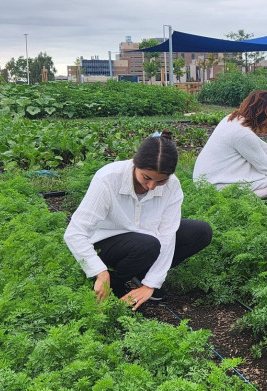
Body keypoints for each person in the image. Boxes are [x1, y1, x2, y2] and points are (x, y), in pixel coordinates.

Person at [64, 131, 212, 311]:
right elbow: (75, 232)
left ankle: (143, 276)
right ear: (135, 164)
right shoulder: (109, 179)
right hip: (106, 244)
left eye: (161, 181)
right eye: (146, 177)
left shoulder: (172, 186)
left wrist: (151, 284)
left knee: (200, 232)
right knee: (147, 245)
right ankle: (115, 282)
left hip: (147, 240)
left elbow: (167, 235)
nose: (151, 187)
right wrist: (99, 271)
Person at [193, 89, 267, 198]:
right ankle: (232, 202)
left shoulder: (232, 119)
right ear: (264, 115)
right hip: (213, 185)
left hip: (203, 178)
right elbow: (266, 167)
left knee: (258, 173)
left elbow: (258, 144)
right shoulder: (243, 134)